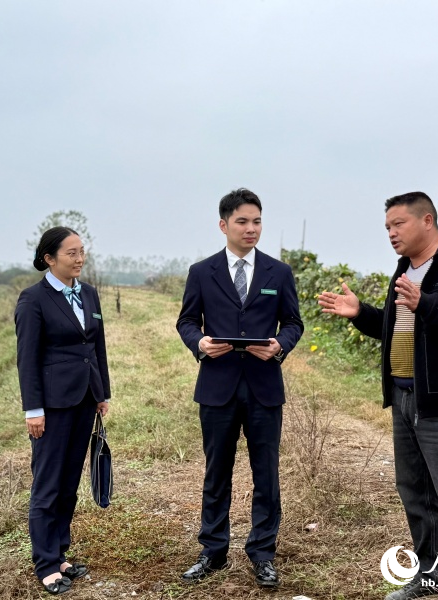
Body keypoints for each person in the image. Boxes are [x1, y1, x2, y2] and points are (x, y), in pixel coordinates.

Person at [318, 192, 438, 600]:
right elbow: (399, 329)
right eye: (387, 227)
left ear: (427, 220)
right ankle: (431, 576)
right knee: (415, 492)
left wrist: (427, 303)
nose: (391, 233)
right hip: (405, 399)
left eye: (398, 224)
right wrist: (361, 314)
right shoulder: (405, 268)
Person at [176, 188, 304, 589]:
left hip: (265, 387)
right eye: (243, 222)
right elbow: (186, 322)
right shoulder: (202, 272)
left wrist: (280, 346)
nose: (251, 229)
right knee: (217, 472)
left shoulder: (278, 273)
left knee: (266, 474)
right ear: (223, 225)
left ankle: (263, 554)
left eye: (258, 221)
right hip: (218, 387)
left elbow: (294, 323)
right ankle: (212, 551)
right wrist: (200, 343)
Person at [15, 226, 111, 595]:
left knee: (70, 481)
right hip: (52, 407)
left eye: (82, 251)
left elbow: (96, 347)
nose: (80, 258)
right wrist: (33, 410)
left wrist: (102, 393)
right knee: (48, 484)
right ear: (49, 259)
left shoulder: (88, 294)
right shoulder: (33, 300)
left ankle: (60, 553)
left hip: (85, 399)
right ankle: (45, 564)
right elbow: (28, 361)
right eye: (71, 253)